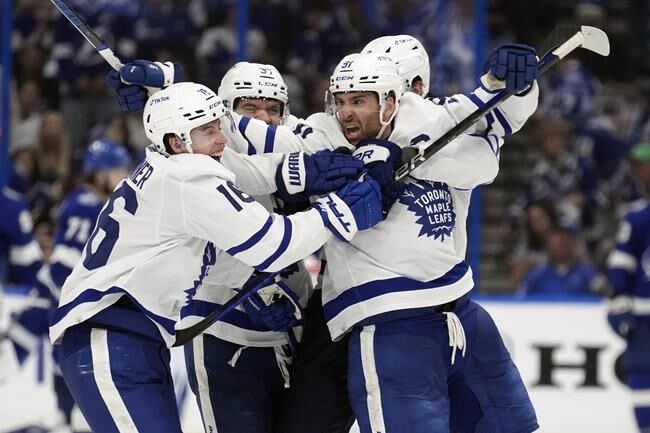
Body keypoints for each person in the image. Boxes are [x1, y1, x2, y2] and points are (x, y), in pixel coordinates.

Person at [109, 42, 540, 433]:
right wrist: (163, 91)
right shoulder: (310, 138)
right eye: (343, 100)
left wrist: (512, 86)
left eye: (367, 98)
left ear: (404, 94)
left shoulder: (440, 123)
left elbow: (487, 150)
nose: (348, 111)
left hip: (448, 308)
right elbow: (229, 134)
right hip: (363, 317)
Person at [49, 81, 383, 433]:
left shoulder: (163, 171)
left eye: (219, 127)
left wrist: (252, 287)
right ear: (178, 142)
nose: (222, 140)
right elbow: (273, 243)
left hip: (128, 343)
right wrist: (339, 212)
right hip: (109, 343)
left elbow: (205, 254)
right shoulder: (188, 179)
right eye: (208, 131)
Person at [36, 138, 131, 432]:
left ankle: (68, 417)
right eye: (118, 169)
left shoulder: (90, 201)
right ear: (99, 174)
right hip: (78, 302)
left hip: (83, 300)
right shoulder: (85, 205)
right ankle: (66, 418)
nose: (124, 175)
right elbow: (65, 262)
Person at [606, 144, 650, 433]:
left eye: (641, 165)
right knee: (643, 379)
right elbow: (621, 264)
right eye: (634, 165)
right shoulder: (637, 216)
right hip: (644, 317)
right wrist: (620, 299)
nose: (636, 171)